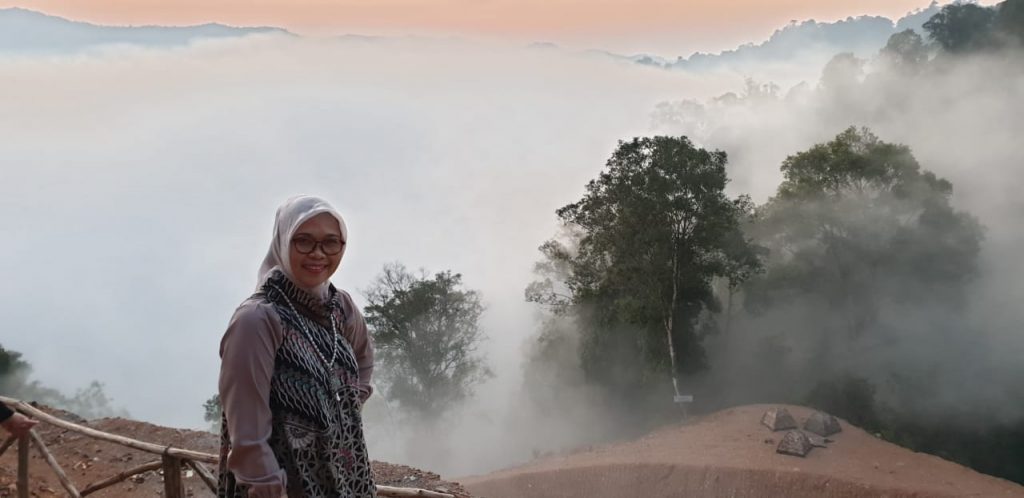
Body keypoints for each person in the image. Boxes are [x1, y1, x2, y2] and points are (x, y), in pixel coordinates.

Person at [217, 195, 375, 498]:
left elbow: (364, 357)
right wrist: (266, 484)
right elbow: (246, 426)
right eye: (303, 241)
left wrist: (347, 405)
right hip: (286, 483)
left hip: (346, 475)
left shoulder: (339, 306)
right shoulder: (258, 319)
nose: (318, 254)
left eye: (331, 242)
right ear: (283, 240)